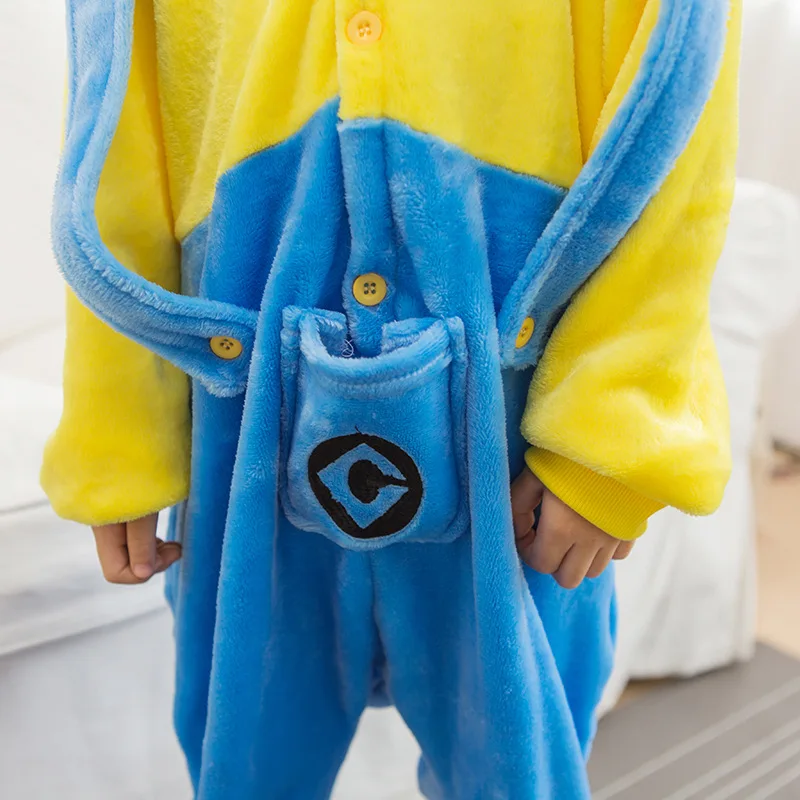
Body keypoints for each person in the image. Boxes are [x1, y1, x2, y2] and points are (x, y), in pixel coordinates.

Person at [42, 0, 741, 797]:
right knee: (243, 765)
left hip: (520, 408)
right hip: (238, 389)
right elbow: (111, 129)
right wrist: (118, 436)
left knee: (521, 774)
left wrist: (611, 438)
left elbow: (679, 96)